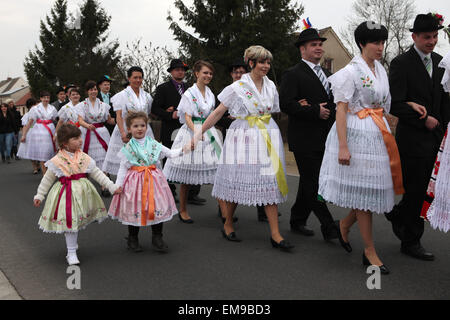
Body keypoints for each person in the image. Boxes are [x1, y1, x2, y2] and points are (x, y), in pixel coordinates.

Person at [319, 22, 402, 274]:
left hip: (376, 134)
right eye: (375, 42)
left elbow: (384, 105)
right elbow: (341, 109)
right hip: (355, 133)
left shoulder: (380, 70)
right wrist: (343, 146)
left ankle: (344, 225)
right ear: (362, 44)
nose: (380, 47)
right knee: (366, 192)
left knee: (371, 189)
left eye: (382, 42)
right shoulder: (349, 72)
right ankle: (369, 250)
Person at [192, 46, 294, 251]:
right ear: (251, 63)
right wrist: (199, 131)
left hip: (266, 134)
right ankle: (228, 223)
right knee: (238, 182)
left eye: (268, 62)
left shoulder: (271, 85)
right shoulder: (237, 87)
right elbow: (218, 111)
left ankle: (275, 234)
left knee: (269, 180)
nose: (266, 66)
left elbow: (274, 110)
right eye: (262, 62)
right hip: (243, 135)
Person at [387, 13, 450, 260]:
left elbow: (445, 100)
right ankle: (411, 241)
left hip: (437, 138)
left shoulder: (441, 62)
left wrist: (444, 128)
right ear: (414, 36)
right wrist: (423, 118)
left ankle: (398, 213)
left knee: (424, 189)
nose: (432, 41)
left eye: (435, 36)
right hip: (412, 139)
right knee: (417, 190)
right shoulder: (401, 63)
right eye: (427, 37)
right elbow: (394, 103)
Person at [280, 27, 340, 241]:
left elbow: (335, 103)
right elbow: (286, 104)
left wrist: (328, 111)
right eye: (314, 44)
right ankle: (329, 225)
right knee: (313, 181)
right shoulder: (293, 73)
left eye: (320, 44)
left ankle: (297, 219)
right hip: (304, 138)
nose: (319, 48)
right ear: (302, 49)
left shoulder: (329, 75)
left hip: (325, 137)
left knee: (309, 180)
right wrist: (314, 109)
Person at [33, 123, 121, 265]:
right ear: (64, 143)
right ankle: (71, 252)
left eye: (80, 137)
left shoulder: (84, 157)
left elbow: (97, 173)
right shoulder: (57, 161)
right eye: (75, 138)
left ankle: (72, 245)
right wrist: (40, 195)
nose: (80, 140)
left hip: (83, 194)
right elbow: (47, 179)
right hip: (65, 195)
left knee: (76, 222)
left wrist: (111, 186)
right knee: (70, 221)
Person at [109, 112, 189, 252]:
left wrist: (185, 149)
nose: (139, 128)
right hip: (134, 184)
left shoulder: (154, 144)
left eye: (142, 125)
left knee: (157, 207)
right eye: (135, 126)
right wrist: (118, 185)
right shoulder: (128, 148)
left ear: (146, 127)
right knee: (135, 209)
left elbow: (170, 153)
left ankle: (157, 237)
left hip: (154, 181)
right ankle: (132, 238)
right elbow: (123, 168)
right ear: (129, 129)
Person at [163, 60, 223, 224]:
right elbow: (187, 117)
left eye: (210, 73)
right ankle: (182, 209)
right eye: (205, 72)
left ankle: (224, 210)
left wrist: (205, 130)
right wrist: (197, 132)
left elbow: (212, 114)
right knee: (186, 175)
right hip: (192, 132)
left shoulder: (211, 93)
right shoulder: (189, 93)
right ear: (197, 73)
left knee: (217, 171)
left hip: (208, 132)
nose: (208, 76)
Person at [102, 67, 154, 177]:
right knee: (126, 162)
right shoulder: (121, 95)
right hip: (126, 129)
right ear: (129, 78)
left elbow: (148, 113)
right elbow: (119, 116)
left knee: (144, 161)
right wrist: (123, 133)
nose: (138, 80)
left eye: (140, 78)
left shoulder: (147, 96)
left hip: (143, 130)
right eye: (135, 77)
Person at [76, 81, 113, 197]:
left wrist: (122, 120)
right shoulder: (82, 105)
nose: (93, 91)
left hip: (102, 133)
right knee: (87, 159)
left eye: (95, 89)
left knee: (103, 158)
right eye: (91, 89)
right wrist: (87, 126)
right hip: (87, 133)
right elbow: (80, 120)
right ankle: (86, 186)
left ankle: (104, 186)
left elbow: (109, 120)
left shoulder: (103, 105)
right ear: (87, 91)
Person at [18, 91, 58, 175]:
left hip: (50, 130)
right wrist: (24, 135)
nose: (46, 99)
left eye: (48, 97)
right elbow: (29, 122)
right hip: (39, 132)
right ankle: (44, 173)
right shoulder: (35, 109)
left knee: (50, 152)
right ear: (41, 98)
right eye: (44, 97)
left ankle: (50, 172)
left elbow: (55, 120)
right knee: (42, 153)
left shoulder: (52, 108)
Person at [22, 98, 41, 174]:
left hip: (39, 131)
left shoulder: (39, 113)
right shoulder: (27, 115)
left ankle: (37, 165)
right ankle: (35, 166)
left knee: (37, 150)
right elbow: (25, 125)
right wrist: (24, 135)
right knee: (32, 150)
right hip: (32, 132)